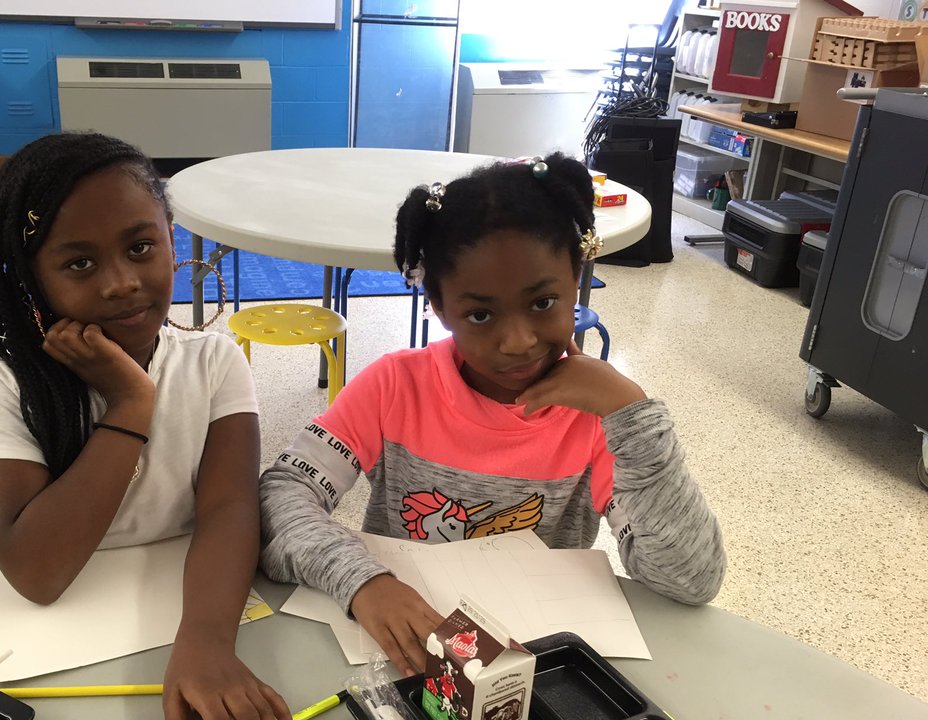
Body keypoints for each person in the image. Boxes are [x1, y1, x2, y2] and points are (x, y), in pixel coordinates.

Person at [259, 152, 726, 676]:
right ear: (439, 306)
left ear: (577, 278)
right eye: (480, 314)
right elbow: (281, 495)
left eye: (543, 303)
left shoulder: (604, 417)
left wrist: (632, 414)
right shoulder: (393, 386)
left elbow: (689, 579)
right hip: (403, 656)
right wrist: (362, 581)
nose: (518, 341)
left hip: (534, 667)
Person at [0, 132, 292, 720]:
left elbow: (229, 510)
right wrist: (131, 403)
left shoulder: (214, 362)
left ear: (171, 237)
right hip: (58, 648)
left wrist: (206, 640)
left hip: (197, 608)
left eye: (141, 248)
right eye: (80, 263)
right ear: (33, 277)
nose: (121, 283)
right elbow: (37, 572)